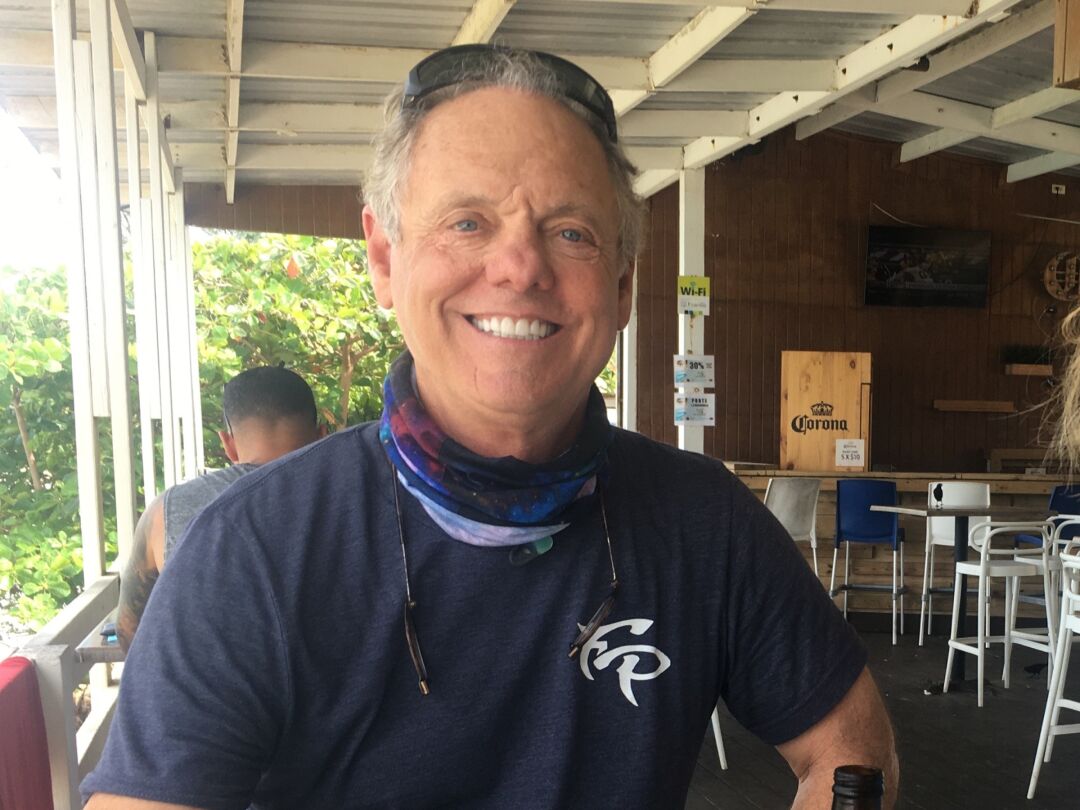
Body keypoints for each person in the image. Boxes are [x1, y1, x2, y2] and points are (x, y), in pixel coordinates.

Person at [83, 45, 898, 808]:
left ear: (621, 284)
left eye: (570, 232)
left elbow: (854, 753)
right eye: (467, 222)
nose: (519, 267)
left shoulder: (704, 520)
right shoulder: (250, 551)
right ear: (384, 259)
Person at [115, 365, 324, 651]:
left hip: (208, 678)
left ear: (228, 444)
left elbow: (128, 629)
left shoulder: (165, 512)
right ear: (323, 435)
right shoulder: (359, 499)